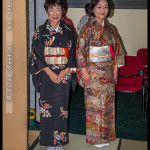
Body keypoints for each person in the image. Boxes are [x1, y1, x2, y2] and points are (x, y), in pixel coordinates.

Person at [28, 0, 77, 149]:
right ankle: (50, 143)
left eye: (58, 10)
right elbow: (36, 54)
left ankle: (59, 142)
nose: (55, 13)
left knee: (62, 109)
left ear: (63, 11)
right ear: (46, 11)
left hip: (64, 75)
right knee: (47, 109)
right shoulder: (40, 31)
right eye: (52, 10)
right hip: (46, 75)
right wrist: (50, 72)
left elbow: (74, 54)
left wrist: (66, 71)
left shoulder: (69, 31)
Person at [76, 0, 125, 148]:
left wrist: (116, 68)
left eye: (105, 7)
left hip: (108, 72)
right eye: (99, 7)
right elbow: (80, 51)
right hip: (93, 73)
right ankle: (96, 139)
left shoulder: (111, 28)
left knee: (108, 105)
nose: (102, 10)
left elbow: (117, 50)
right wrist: (83, 71)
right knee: (95, 107)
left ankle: (107, 136)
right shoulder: (88, 28)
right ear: (93, 8)